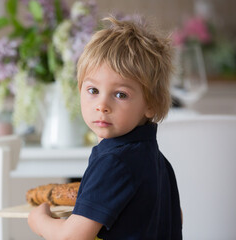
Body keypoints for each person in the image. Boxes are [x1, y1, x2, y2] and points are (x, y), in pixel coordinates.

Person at [28, 15, 182, 240]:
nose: (102, 106)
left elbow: (71, 237)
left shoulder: (114, 162)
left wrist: (39, 221)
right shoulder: (157, 161)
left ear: (151, 104)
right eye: (93, 90)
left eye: (120, 94)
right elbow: (176, 217)